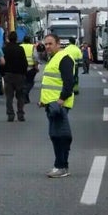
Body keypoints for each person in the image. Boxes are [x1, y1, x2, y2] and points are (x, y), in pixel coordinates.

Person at [39, 33, 75, 178]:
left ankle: (60, 166)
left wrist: (60, 100)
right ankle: (61, 166)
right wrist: (43, 101)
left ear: (58, 43)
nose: (47, 47)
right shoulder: (53, 58)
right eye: (46, 44)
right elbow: (51, 83)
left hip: (58, 105)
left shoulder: (64, 58)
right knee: (56, 135)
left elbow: (69, 82)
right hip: (51, 104)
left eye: (50, 44)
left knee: (59, 135)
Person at [2, 31, 29, 122]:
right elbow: (24, 62)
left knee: (9, 96)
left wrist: (3, 73)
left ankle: (10, 115)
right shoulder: (20, 49)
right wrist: (24, 73)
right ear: (16, 38)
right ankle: (20, 114)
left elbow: (2, 63)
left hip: (8, 75)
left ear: (9, 38)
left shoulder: (5, 49)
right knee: (20, 96)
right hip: (19, 75)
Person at [20, 35, 40, 104]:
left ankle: (26, 98)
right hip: (31, 67)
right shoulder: (32, 47)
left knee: (24, 82)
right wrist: (36, 66)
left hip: (22, 67)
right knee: (30, 82)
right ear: (30, 40)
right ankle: (25, 93)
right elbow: (35, 57)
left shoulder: (20, 46)